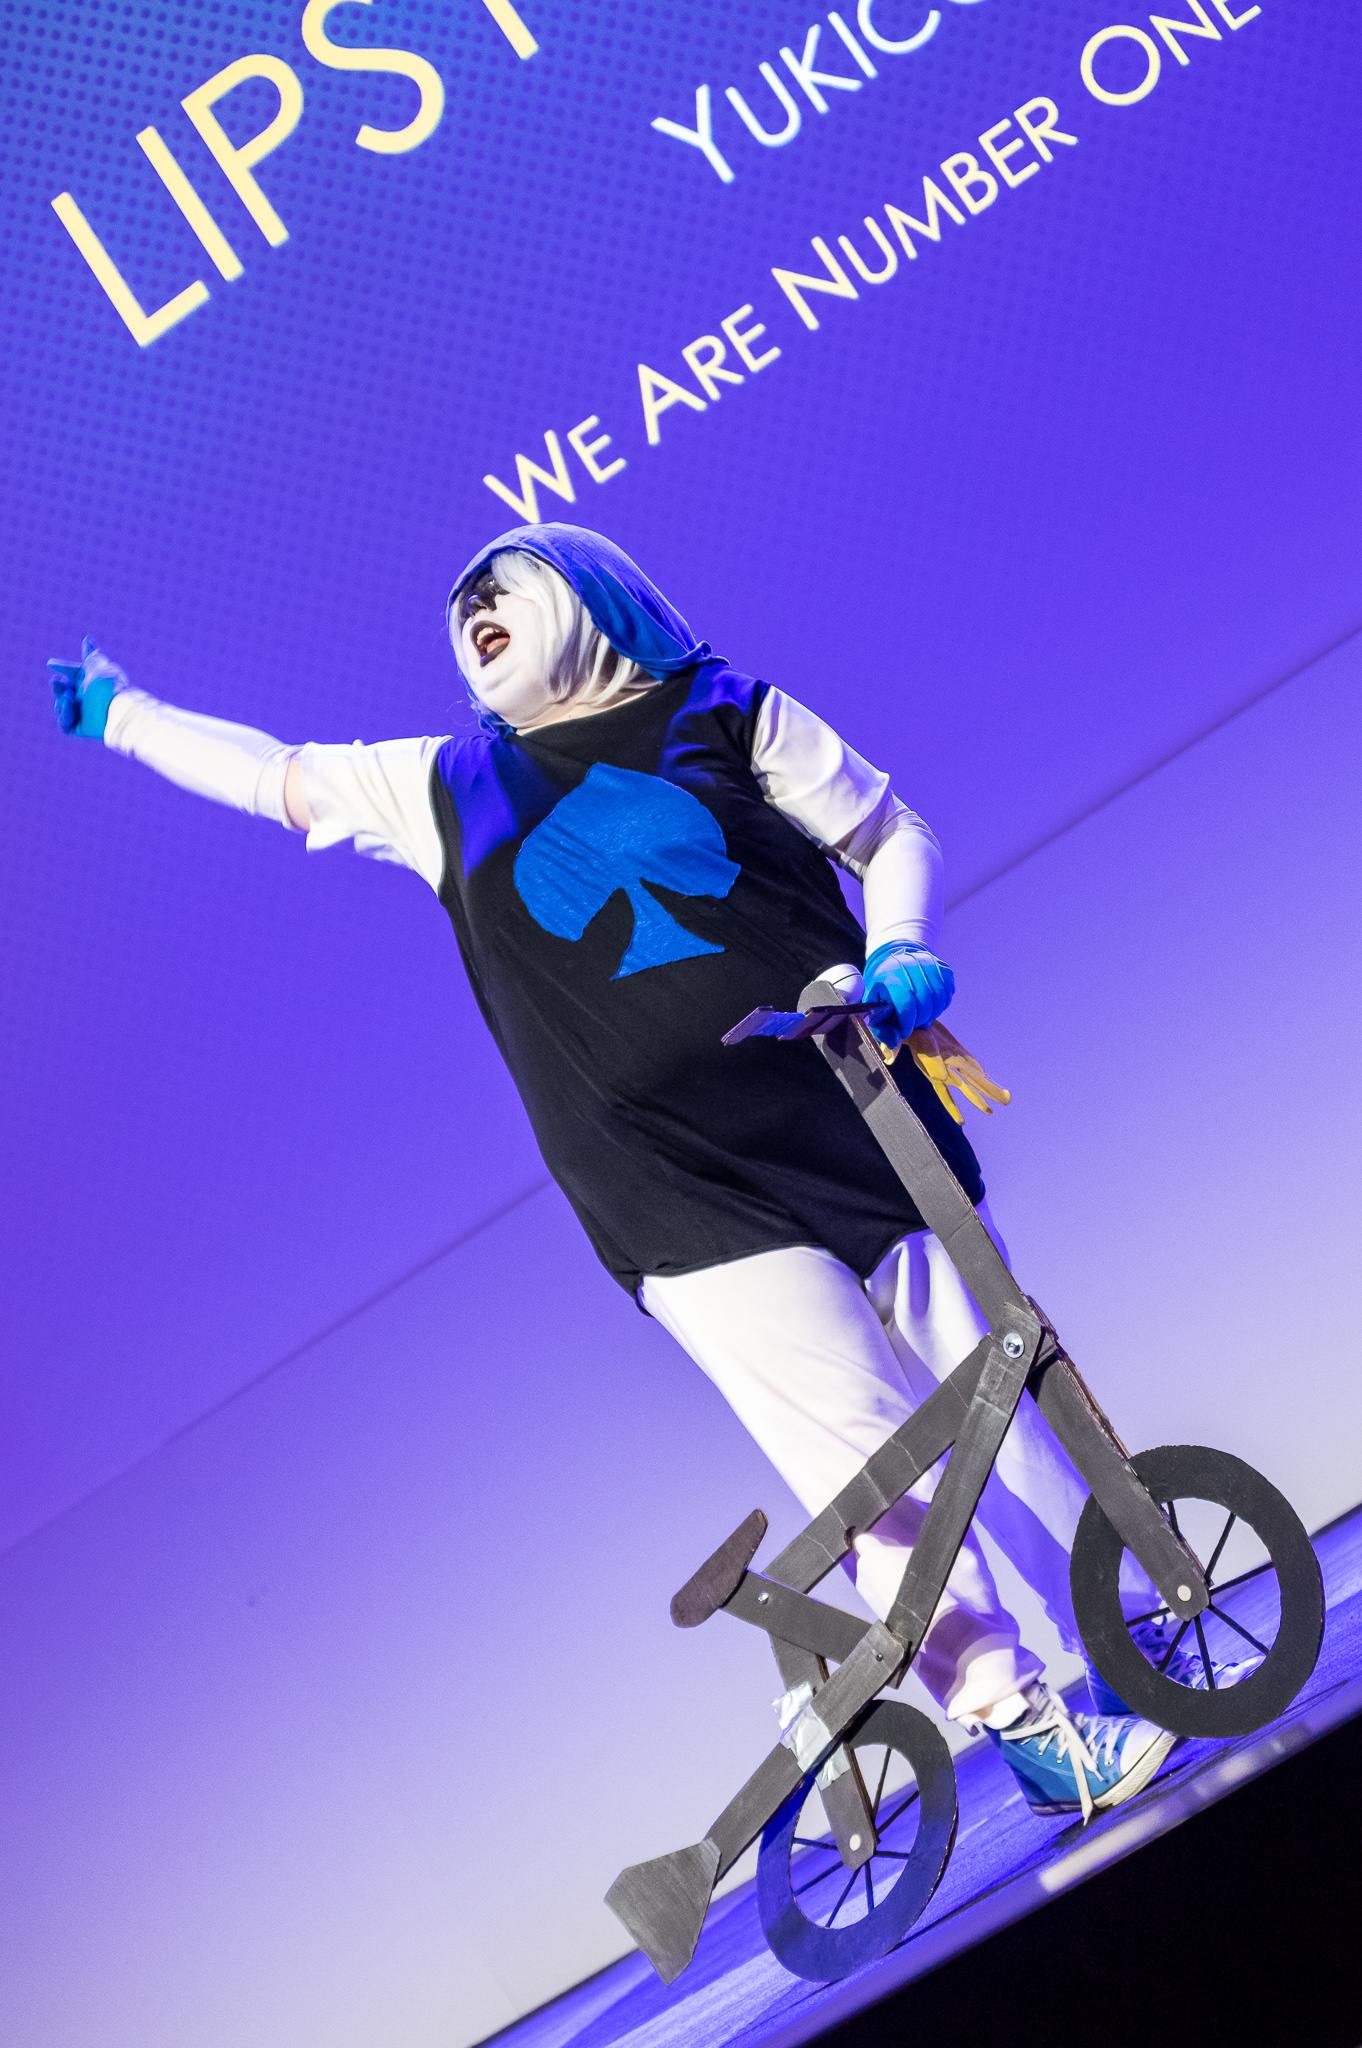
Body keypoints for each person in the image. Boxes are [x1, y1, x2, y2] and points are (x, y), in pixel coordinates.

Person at [48, 522, 1208, 1819]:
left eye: (502, 586)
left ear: (587, 596)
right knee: (869, 1465)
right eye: (460, 607)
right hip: (673, 1191)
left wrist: (900, 945)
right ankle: (1023, 1720)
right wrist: (125, 717)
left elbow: (889, 835)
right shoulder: (441, 786)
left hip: (855, 1119)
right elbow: (271, 776)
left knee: (998, 1397)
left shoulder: (728, 712)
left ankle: (1131, 1642)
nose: (473, 608)